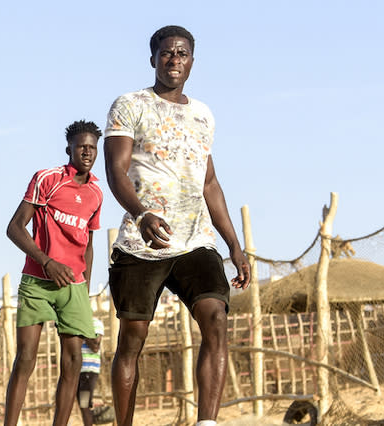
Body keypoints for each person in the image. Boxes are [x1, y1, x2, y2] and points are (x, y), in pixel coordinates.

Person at [102, 25, 251, 426]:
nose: (174, 60)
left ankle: (207, 423)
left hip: (195, 241)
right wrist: (141, 213)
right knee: (132, 339)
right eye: (167, 53)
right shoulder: (129, 105)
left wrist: (234, 245)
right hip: (141, 242)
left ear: (192, 61)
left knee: (215, 316)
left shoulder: (203, 115)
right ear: (153, 59)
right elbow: (115, 171)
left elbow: (210, 183)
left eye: (182, 54)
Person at [3, 121, 103, 426]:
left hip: (73, 285)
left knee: (73, 362)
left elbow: (89, 244)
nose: (87, 152)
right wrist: (46, 262)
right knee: (26, 358)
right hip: (38, 280)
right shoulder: (46, 179)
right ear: (69, 149)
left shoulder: (97, 192)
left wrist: (83, 291)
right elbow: (14, 228)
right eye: (81, 147)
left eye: (92, 148)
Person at [78, 318, 105, 426]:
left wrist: (83, 332)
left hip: (88, 371)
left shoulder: (95, 323)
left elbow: (95, 346)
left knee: (84, 405)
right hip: (78, 372)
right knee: (83, 405)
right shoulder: (78, 322)